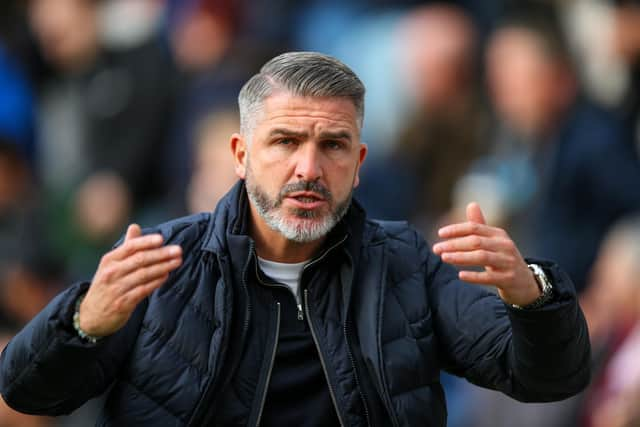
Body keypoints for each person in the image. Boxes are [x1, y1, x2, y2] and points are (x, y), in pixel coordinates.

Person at [0, 52, 590, 426]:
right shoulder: (162, 262)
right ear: (240, 155)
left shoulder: (407, 263)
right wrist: (83, 323)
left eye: (332, 145)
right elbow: (26, 393)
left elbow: (548, 380)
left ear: (357, 164)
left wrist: (532, 297)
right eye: (284, 142)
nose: (309, 167)